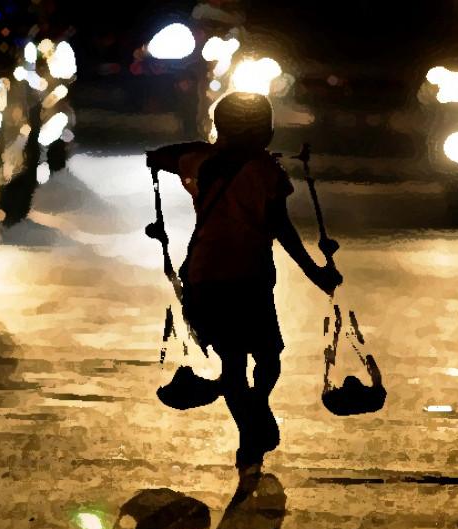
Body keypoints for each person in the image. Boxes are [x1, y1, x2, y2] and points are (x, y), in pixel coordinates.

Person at [146, 92, 342, 467]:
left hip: (205, 277)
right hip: (250, 278)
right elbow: (282, 228)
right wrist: (315, 272)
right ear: (265, 131)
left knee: (232, 362)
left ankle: (247, 425)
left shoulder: (202, 162)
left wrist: (214, 146)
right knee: (268, 355)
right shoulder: (266, 172)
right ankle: (257, 408)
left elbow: (156, 155)